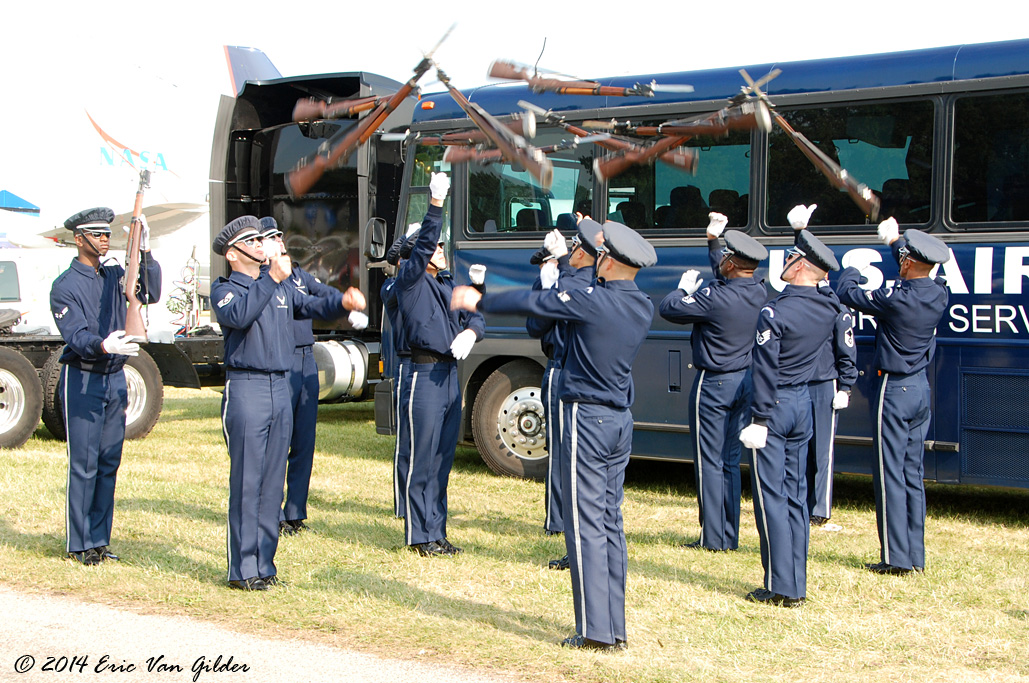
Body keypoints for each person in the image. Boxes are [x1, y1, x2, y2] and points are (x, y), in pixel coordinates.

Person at [452, 220, 656, 652]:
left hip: (588, 417)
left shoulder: (592, 301)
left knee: (584, 527)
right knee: (610, 523)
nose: (595, 259)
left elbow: (533, 302)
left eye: (601, 255)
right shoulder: (640, 305)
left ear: (612, 261)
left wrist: (481, 297)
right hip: (619, 420)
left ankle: (595, 632)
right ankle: (614, 627)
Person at [211, 215, 365, 591]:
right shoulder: (226, 289)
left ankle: (265, 564)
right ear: (234, 254)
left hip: (281, 386)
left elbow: (310, 305)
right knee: (249, 481)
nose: (262, 245)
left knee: (272, 483)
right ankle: (243, 569)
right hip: (247, 386)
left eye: (260, 240)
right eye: (252, 242)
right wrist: (272, 278)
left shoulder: (279, 287)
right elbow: (240, 315)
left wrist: (342, 301)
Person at [834, 218, 949, 575]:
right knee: (912, 472)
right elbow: (913, 265)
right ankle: (914, 556)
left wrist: (852, 269)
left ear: (909, 263)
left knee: (888, 473)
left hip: (894, 390)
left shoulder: (897, 299)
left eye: (903, 259)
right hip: (919, 389)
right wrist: (895, 241)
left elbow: (848, 294)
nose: (900, 262)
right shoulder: (938, 292)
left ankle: (895, 558)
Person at [50, 207, 162, 565]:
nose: (103, 240)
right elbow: (76, 335)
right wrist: (103, 345)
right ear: (78, 239)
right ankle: (79, 543)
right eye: (96, 235)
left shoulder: (116, 275)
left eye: (107, 235)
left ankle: (99, 540)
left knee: (109, 460)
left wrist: (143, 250)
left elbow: (151, 290)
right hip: (84, 376)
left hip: (115, 378)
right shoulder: (64, 286)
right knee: (84, 463)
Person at [739, 228, 840, 607]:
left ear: (800, 266)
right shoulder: (827, 306)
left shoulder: (774, 311)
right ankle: (796, 580)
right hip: (802, 405)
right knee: (798, 496)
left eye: (792, 257)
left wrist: (760, 419)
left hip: (775, 407)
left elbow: (764, 370)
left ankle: (781, 585)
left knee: (772, 498)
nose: (785, 263)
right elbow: (829, 290)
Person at [658, 212, 768, 552]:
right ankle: (728, 534)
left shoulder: (715, 297)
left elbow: (669, 308)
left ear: (732, 264)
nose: (721, 262)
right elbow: (726, 272)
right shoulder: (759, 290)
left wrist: (681, 289)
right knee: (730, 461)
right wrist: (713, 241)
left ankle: (713, 537)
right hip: (745, 381)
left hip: (714, 383)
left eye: (725, 258)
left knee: (708, 460)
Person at [259, 218, 368, 536]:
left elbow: (320, 297)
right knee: (277, 441)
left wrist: (345, 303)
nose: (279, 241)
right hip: (281, 360)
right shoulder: (262, 280)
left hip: (306, 359)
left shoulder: (297, 276)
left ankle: (295, 511)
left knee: (304, 440)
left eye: (280, 235)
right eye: (271, 237)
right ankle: (273, 512)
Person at [394, 172, 485, 557]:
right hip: (424, 373)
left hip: (448, 374)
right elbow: (423, 246)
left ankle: (437, 531)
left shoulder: (447, 283)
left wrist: (472, 333)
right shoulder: (411, 280)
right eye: (435, 246)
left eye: (443, 245)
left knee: (443, 459)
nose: (441, 249)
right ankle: (419, 534)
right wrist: (435, 206)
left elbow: (477, 313)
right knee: (421, 457)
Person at [526, 219, 600, 569]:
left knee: (567, 452)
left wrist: (556, 275)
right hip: (566, 367)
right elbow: (534, 322)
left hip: (566, 370)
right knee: (563, 450)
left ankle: (560, 519)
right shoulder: (574, 277)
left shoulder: (582, 280)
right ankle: (558, 518)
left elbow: (538, 321)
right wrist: (548, 278)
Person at [785, 207, 858, 530]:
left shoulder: (832, 304)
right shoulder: (804, 300)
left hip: (824, 383)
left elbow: (846, 348)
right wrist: (800, 233)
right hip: (801, 382)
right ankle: (800, 502)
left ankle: (820, 509)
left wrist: (846, 386)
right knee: (799, 447)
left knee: (822, 451)